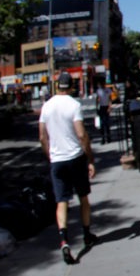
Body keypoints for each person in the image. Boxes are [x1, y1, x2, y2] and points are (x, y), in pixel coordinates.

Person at [39, 72, 97, 264]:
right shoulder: (74, 105)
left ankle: (64, 240)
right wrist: (89, 158)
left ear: (57, 86)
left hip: (57, 161)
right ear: (71, 87)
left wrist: (50, 156)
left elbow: (42, 137)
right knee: (83, 198)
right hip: (75, 158)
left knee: (61, 201)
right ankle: (87, 234)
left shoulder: (46, 106)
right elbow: (81, 134)